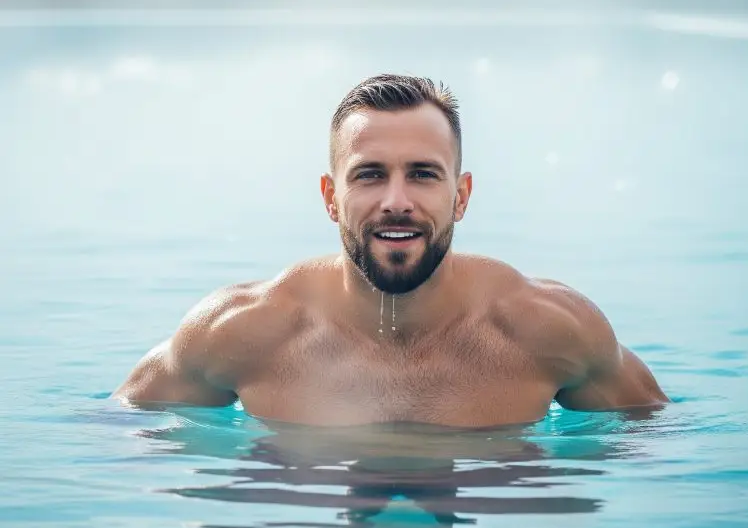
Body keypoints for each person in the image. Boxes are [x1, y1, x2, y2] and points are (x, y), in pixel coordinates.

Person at [113, 73, 669, 426]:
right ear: (331, 197)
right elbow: (121, 437)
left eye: (423, 174)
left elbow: (656, 441)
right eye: (370, 175)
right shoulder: (242, 331)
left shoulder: (548, 328)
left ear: (462, 194)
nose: (396, 201)